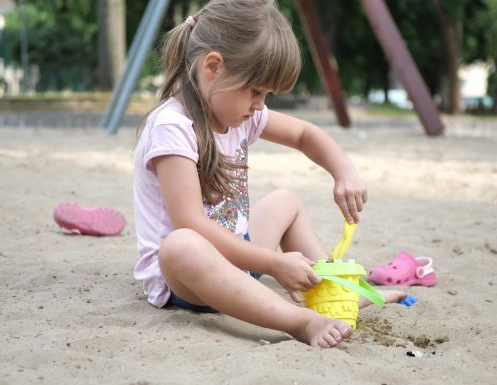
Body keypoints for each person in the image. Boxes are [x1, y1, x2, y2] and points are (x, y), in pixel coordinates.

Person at [132, 0, 404, 349]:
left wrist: (343, 170)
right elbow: (192, 225)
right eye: (256, 91)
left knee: (286, 201)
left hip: (239, 253)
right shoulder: (173, 127)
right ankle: (300, 321)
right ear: (213, 67)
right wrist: (276, 264)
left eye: (267, 94)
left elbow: (306, 135)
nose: (260, 104)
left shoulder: (243, 112)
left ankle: (331, 291)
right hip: (188, 280)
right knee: (180, 245)